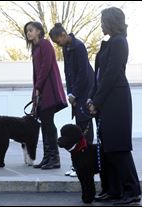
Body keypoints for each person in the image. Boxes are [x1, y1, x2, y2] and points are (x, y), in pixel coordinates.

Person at [87, 7, 141, 204]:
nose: (101, 24)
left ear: (111, 22)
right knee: (106, 147)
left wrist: (97, 101)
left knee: (118, 147)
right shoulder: (110, 43)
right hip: (106, 99)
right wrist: (92, 98)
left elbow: (111, 75)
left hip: (116, 100)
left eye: (103, 21)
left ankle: (132, 191)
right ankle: (113, 189)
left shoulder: (119, 42)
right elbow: (99, 75)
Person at [49, 23, 95, 177]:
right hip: (76, 91)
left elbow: (83, 73)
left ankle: (86, 164)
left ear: (63, 34)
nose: (58, 44)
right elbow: (68, 73)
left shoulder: (79, 46)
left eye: (58, 41)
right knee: (79, 127)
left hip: (85, 89)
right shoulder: (66, 47)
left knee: (85, 126)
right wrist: (69, 93)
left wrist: (74, 94)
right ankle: (78, 164)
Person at [24, 21, 68, 170]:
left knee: (48, 123)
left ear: (39, 31)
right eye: (27, 31)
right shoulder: (36, 48)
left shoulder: (45, 44)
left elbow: (45, 67)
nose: (28, 33)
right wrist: (35, 93)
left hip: (49, 90)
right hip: (42, 90)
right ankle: (47, 157)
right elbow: (36, 73)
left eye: (31, 30)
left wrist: (38, 88)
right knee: (45, 124)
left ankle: (54, 158)